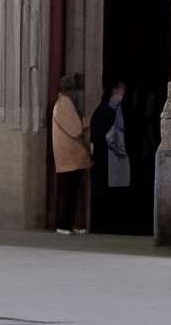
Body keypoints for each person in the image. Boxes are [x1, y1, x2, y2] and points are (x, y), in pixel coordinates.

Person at [90, 77, 133, 234]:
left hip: (120, 157)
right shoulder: (105, 109)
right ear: (113, 90)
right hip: (105, 157)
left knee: (120, 191)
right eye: (121, 89)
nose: (123, 93)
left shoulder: (122, 108)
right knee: (106, 192)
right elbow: (98, 131)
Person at [50, 72, 91, 234]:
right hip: (69, 158)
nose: (78, 94)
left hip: (73, 159)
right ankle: (63, 225)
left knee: (73, 194)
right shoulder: (64, 103)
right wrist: (84, 123)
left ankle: (72, 224)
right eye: (76, 90)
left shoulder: (66, 103)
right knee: (68, 194)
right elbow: (76, 129)